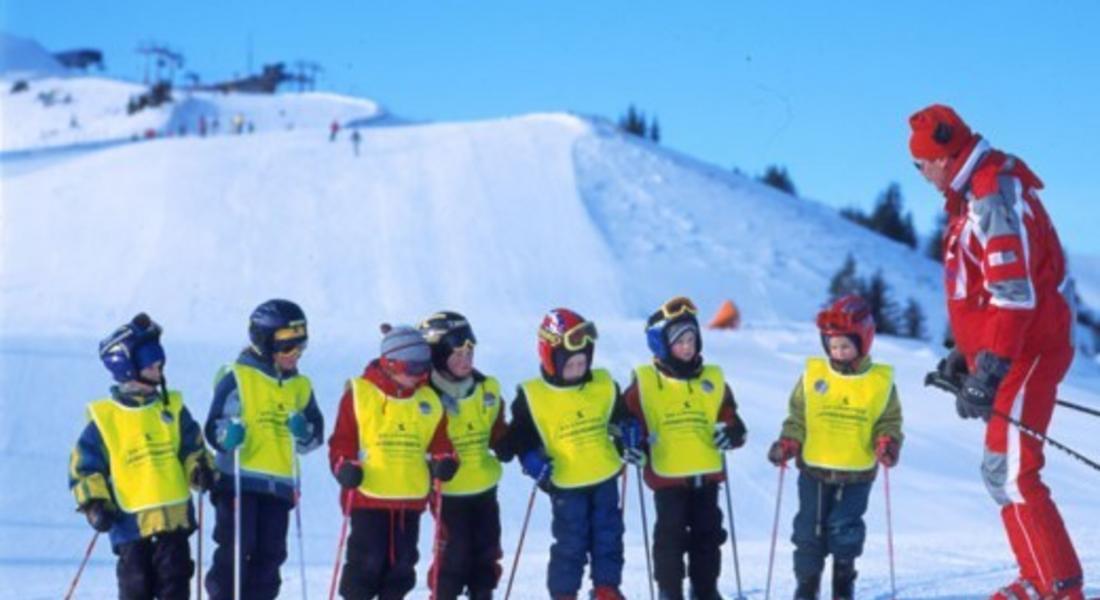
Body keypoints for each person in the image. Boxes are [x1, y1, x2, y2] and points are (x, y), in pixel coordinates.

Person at [910, 103, 1084, 599]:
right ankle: (1035, 579)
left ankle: (1057, 586)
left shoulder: (989, 195)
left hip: (1030, 348)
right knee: (997, 471)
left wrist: (990, 368)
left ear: (943, 158)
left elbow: (1015, 293)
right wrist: (967, 358)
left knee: (1015, 471)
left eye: (920, 164)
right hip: (1011, 350)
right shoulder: (971, 195)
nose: (920, 174)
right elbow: (982, 293)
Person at [69, 313, 215, 599]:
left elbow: (191, 447)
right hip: (130, 528)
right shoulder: (106, 420)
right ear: (125, 365)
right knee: (136, 589)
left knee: (175, 587)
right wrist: (94, 503)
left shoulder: (171, 409)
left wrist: (200, 469)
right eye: (150, 360)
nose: (158, 367)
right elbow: (85, 467)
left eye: (159, 360)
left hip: (173, 524)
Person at [767, 295, 903, 600]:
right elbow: (798, 416)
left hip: (856, 474)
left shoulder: (879, 382)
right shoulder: (814, 375)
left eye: (845, 346)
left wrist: (887, 442)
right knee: (808, 532)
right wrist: (789, 441)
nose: (838, 352)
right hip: (814, 470)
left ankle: (843, 586)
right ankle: (807, 587)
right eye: (832, 346)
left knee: (845, 530)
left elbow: (889, 420)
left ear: (863, 342)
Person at [620, 296, 748, 600]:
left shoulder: (712, 379)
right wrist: (630, 443)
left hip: (706, 477)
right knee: (670, 539)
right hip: (668, 480)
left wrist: (732, 434)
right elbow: (626, 421)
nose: (688, 346)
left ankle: (705, 590)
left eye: (692, 338)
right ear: (661, 345)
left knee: (708, 537)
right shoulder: (646, 383)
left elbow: (731, 419)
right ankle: (669, 590)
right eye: (679, 341)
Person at [204, 299, 325, 600]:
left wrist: (303, 432)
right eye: (287, 348)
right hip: (239, 481)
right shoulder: (239, 377)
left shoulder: (301, 386)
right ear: (263, 344)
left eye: (301, 347)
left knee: (271, 555)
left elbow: (313, 437)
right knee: (236, 549)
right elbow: (214, 425)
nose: (295, 355)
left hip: (279, 486)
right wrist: (227, 437)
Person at [328, 324, 459, 599]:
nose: (420, 375)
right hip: (369, 498)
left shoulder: (428, 401)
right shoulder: (360, 395)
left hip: (409, 499)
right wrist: (344, 467)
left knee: (403, 563)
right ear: (390, 363)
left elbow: (440, 442)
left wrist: (444, 461)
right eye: (412, 368)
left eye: (425, 368)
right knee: (368, 561)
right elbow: (342, 441)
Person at [509, 308, 630, 600]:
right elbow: (521, 439)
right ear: (551, 360)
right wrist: (531, 460)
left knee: (609, 536)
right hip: (565, 483)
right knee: (570, 543)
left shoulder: (603, 385)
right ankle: (564, 593)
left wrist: (628, 432)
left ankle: (606, 588)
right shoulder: (533, 396)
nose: (578, 369)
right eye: (571, 364)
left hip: (604, 475)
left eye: (582, 362)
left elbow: (620, 418)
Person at [418, 311, 513, 600]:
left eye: (470, 350)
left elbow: (497, 430)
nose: (466, 358)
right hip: (449, 491)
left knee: (486, 549)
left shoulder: (487, 388)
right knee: (455, 553)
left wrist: (510, 441)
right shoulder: (425, 396)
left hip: (484, 486)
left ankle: (482, 594)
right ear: (436, 355)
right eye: (456, 353)